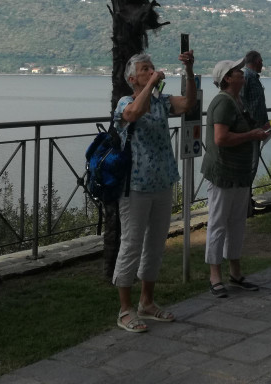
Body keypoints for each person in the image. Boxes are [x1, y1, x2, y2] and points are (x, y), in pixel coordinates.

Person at [112, 50, 196, 333]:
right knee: (131, 243)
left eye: (152, 67)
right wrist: (151, 84)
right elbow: (133, 114)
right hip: (135, 186)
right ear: (132, 79)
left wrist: (189, 71)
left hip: (162, 181)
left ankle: (146, 302)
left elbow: (188, 104)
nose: (151, 71)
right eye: (144, 69)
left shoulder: (161, 101)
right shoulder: (125, 102)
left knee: (156, 244)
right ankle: (125, 310)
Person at [202, 58, 271, 298]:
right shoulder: (223, 102)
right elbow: (221, 138)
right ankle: (214, 276)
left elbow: (242, 130)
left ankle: (235, 273)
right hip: (223, 173)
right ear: (227, 78)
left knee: (236, 224)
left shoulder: (236, 100)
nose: (242, 73)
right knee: (218, 223)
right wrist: (251, 135)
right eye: (237, 71)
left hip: (239, 173)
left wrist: (257, 132)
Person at [240, 50, 271, 215]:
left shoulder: (252, 77)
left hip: (257, 128)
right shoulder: (247, 77)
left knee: (252, 164)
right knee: (250, 165)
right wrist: (251, 123)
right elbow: (241, 101)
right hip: (251, 129)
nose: (263, 64)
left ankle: (247, 200)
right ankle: (245, 203)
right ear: (257, 61)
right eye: (261, 61)